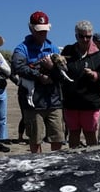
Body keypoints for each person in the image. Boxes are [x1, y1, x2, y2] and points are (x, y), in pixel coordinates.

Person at [11, 11, 64, 153]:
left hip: (53, 100)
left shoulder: (53, 48)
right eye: (39, 31)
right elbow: (18, 67)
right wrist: (39, 75)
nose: (43, 34)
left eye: (45, 31)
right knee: (35, 139)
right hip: (32, 103)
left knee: (58, 137)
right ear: (31, 28)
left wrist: (51, 68)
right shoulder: (22, 49)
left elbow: (62, 72)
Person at [59, 21, 100, 148]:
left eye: (88, 36)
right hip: (71, 102)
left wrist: (95, 75)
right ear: (76, 36)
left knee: (90, 134)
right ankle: (74, 161)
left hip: (90, 103)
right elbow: (60, 72)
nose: (85, 39)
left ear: (92, 36)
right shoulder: (68, 51)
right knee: (73, 133)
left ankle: (94, 163)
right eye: (81, 36)